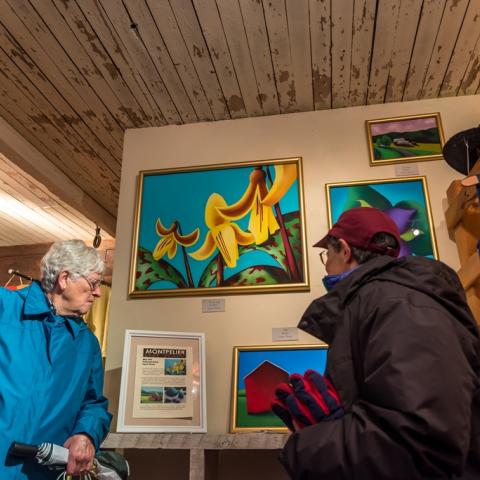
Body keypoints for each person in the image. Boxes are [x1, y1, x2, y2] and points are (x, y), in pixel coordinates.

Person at [277, 207, 480, 479]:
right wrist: (338, 425)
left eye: (327, 254)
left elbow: (418, 444)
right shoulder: (389, 301)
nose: (326, 265)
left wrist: (311, 445)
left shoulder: (397, 304)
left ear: (345, 251)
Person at [0, 240, 112, 479]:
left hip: (42, 473)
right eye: (93, 283)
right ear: (64, 279)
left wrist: (86, 435)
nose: (98, 292)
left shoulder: (87, 344)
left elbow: (93, 404)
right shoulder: (4, 309)